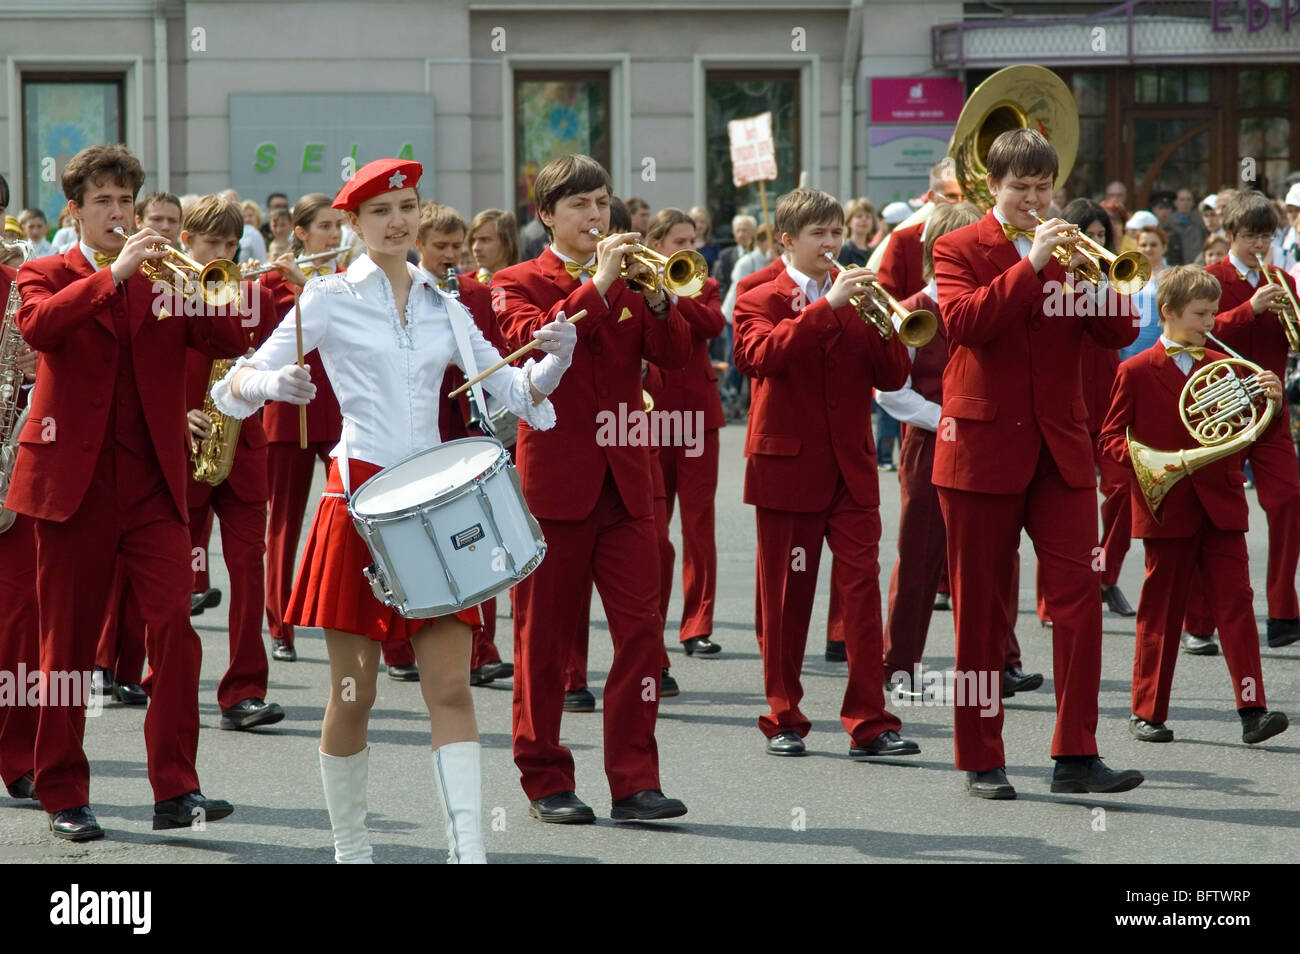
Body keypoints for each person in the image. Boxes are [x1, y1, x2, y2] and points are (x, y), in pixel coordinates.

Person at [214, 157, 576, 863]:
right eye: (381, 211)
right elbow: (232, 385)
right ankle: (353, 850)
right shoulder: (326, 297)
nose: (399, 221)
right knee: (355, 693)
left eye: (408, 206)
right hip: (359, 501)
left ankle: (467, 852)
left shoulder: (447, 303)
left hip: (438, 500)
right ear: (352, 223)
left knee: (450, 687)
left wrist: (552, 359)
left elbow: (515, 396)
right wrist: (273, 381)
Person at [10, 143, 240, 840]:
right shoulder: (44, 271)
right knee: (66, 649)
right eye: (105, 203)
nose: (120, 214)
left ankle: (177, 789)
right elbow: (39, 328)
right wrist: (114, 273)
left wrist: (206, 279)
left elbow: (230, 332)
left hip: (151, 487)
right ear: (74, 211)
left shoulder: (164, 279)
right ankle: (62, 793)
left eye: (127, 203)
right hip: (69, 489)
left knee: (175, 629)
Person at [931, 128, 1144, 800]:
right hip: (981, 451)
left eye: (1042, 185)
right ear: (991, 188)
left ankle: (1076, 753)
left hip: (1060, 448)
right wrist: (1030, 268)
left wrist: (1096, 272)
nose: (1032, 197)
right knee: (979, 613)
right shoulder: (958, 247)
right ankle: (980, 757)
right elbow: (965, 324)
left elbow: (1118, 331)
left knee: (1079, 602)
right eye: (1019, 186)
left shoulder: (1071, 254)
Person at [490, 153, 691, 825]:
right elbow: (526, 346)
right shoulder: (517, 280)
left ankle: (635, 780)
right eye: (578, 204)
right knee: (541, 639)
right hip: (556, 484)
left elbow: (677, 354)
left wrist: (659, 300)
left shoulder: (635, 279)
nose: (596, 216)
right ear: (545, 215)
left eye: (602, 202)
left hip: (630, 484)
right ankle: (545, 775)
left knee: (641, 636)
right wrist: (600, 285)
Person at [734, 186, 920, 761]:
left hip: (852, 469)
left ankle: (870, 720)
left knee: (861, 594)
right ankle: (782, 715)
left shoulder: (862, 294)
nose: (833, 243)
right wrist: (827, 307)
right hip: (788, 466)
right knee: (787, 597)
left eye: (837, 232)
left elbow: (891, 379)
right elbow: (759, 358)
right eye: (820, 234)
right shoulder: (757, 292)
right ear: (787, 240)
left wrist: (890, 323)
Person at [1098, 265, 1289, 746]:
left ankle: (1253, 708)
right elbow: (1110, 439)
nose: (1210, 322)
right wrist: (1151, 465)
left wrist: (1274, 401)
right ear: (1168, 313)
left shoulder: (1221, 364)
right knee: (1160, 612)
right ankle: (1148, 712)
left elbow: (1248, 427)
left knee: (1238, 607)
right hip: (1167, 506)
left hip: (1221, 502)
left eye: (1213, 312)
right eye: (1201, 314)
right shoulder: (1135, 371)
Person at [414, 201, 515, 687]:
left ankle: (482, 648)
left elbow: (491, 357)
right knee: (416, 536)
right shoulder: (405, 290)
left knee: (479, 533)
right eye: (441, 247)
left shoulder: (475, 291)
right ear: (420, 245)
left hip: (466, 424)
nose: (451, 256)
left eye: (457, 246)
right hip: (421, 422)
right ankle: (403, 641)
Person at [1197, 190, 1300, 649]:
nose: (1260, 245)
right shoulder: (1212, 278)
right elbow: (1198, 333)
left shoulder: (1282, 278)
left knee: (1289, 502)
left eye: (1267, 235)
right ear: (1231, 235)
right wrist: (1251, 308)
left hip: (1271, 409)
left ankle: (1283, 611)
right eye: (1251, 236)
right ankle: (1199, 621)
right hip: (1226, 409)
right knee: (1215, 516)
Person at [644, 208, 725, 657]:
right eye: (678, 241)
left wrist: (675, 296)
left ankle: (698, 625)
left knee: (698, 524)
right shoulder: (636, 286)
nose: (688, 247)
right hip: (651, 418)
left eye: (692, 239)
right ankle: (650, 622)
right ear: (657, 246)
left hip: (697, 418)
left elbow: (714, 325)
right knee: (654, 530)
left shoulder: (705, 285)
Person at [0, 250, 41, 805]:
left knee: (17, 617)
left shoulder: (20, 286)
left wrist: (36, 363)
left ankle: (18, 756)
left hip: (10, 459)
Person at [876, 157, 963, 299]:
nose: (961, 203)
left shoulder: (980, 238)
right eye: (951, 196)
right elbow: (887, 299)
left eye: (966, 196)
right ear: (932, 197)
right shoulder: (903, 240)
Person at [712, 213, 756, 303]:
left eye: (744, 230)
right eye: (738, 231)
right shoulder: (725, 256)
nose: (741, 234)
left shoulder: (760, 256)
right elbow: (719, 285)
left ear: (753, 232)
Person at [468, 208, 518, 283]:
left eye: (484, 240)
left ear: (506, 243)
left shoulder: (523, 282)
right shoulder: (463, 285)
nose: (475, 247)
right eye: (473, 240)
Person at [837, 198, 877, 267]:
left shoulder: (875, 252)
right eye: (859, 216)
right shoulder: (843, 250)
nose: (864, 219)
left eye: (868, 217)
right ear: (849, 221)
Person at [689, 205, 719, 270]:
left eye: (702, 222)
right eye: (695, 221)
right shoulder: (683, 244)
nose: (699, 225)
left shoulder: (714, 245)